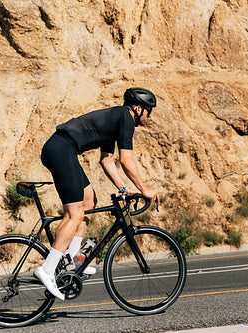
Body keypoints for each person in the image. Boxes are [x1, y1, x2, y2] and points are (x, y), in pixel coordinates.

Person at [34, 87, 159, 300]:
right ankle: (47, 269)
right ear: (138, 109)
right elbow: (126, 160)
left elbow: (107, 160)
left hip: (62, 149)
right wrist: (145, 189)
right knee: (74, 214)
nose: (150, 116)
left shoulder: (116, 118)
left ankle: (72, 259)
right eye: (149, 111)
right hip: (62, 149)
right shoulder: (126, 118)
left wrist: (124, 188)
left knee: (89, 199)